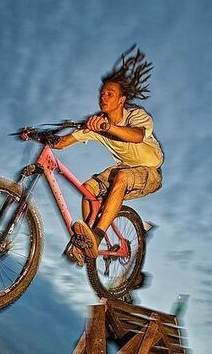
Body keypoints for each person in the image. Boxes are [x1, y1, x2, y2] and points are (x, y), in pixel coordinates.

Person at [51, 46, 164, 265]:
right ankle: (88, 243)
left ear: (121, 100)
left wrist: (107, 127)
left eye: (110, 94)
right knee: (88, 191)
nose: (103, 97)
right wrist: (41, 137)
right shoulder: (97, 124)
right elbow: (64, 143)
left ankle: (98, 234)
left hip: (149, 171)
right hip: (124, 166)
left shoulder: (136, 115)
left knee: (121, 177)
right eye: (102, 93)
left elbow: (136, 136)